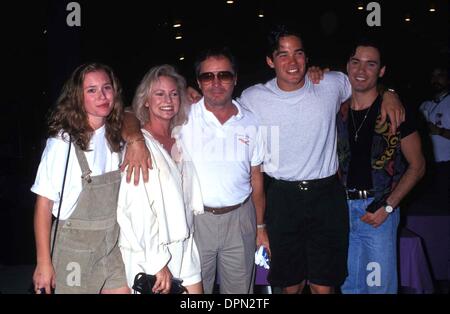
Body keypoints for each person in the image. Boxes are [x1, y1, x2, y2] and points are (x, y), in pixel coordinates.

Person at [237, 24, 405, 294]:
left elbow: (365, 79)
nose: (293, 62)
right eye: (283, 55)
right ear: (270, 61)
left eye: (299, 53)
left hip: (326, 195)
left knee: (323, 286)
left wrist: (390, 93)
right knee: (290, 286)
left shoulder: (330, 83)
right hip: (282, 196)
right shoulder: (253, 97)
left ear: (307, 57)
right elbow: (222, 116)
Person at [31, 63, 129, 294]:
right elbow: (43, 206)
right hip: (74, 247)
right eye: (91, 90)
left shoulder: (117, 135)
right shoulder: (62, 143)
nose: (102, 96)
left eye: (106, 88)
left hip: (110, 243)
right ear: (77, 97)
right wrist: (44, 263)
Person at [338, 39, 425, 293]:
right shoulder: (336, 108)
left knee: (378, 288)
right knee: (349, 287)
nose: (361, 70)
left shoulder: (396, 111)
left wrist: (388, 206)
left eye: (370, 64)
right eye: (356, 62)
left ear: (381, 70)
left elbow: (418, 166)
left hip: (378, 210)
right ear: (347, 66)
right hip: (342, 210)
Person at [117, 64, 203, 294]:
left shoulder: (179, 137)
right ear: (146, 100)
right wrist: (157, 263)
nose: (168, 99)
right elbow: (136, 210)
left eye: (174, 93)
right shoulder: (138, 145)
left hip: (184, 246)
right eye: (159, 93)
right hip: (152, 254)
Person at [419, 65, 450, 208]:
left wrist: (439, 131)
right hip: (428, 165)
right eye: (433, 76)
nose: (436, 80)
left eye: (440, 75)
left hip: (447, 165)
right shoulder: (425, 105)